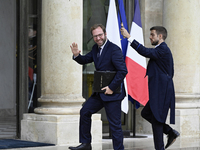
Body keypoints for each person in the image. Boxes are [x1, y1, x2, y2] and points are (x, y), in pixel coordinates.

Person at [69, 24, 127, 150]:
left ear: (105, 34)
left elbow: (122, 71)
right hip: (99, 93)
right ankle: (86, 144)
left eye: (100, 35)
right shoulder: (96, 49)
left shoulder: (114, 49)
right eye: (95, 36)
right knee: (85, 112)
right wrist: (76, 56)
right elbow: (85, 59)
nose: (98, 38)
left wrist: (111, 87)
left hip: (113, 93)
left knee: (114, 125)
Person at [120, 26, 180, 150]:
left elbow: (145, 52)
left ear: (160, 36)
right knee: (146, 113)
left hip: (162, 92)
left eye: (152, 35)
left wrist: (129, 37)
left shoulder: (162, 49)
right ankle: (170, 131)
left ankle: (161, 145)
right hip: (159, 91)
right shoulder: (161, 50)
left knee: (157, 122)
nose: (150, 37)